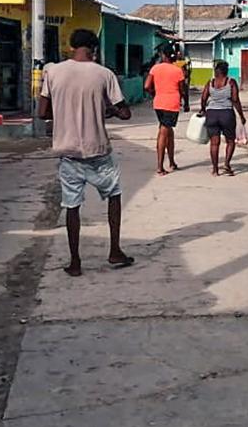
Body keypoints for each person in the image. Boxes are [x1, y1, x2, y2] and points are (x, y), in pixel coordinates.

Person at [38, 29, 134, 278]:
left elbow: (42, 112)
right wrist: (108, 110)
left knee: (72, 206)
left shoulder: (53, 72)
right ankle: (114, 250)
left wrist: (64, 113)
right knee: (114, 195)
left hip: (68, 152)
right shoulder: (104, 74)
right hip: (98, 150)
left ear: (71, 46)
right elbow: (125, 113)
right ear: (94, 48)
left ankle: (75, 261)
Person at [144, 44, 186, 175]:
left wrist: (154, 93)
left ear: (163, 55)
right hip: (171, 104)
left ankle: (172, 162)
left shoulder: (155, 68)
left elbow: (146, 86)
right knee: (164, 132)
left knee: (169, 132)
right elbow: (182, 89)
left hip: (159, 104)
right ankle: (160, 167)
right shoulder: (177, 70)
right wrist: (186, 103)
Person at [199, 61, 246, 176]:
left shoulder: (210, 82)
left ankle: (215, 170)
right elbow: (235, 100)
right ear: (226, 71)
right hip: (226, 114)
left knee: (214, 143)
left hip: (212, 114)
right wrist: (241, 115)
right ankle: (226, 164)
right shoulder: (231, 82)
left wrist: (203, 109)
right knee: (230, 141)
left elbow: (204, 97)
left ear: (216, 71)